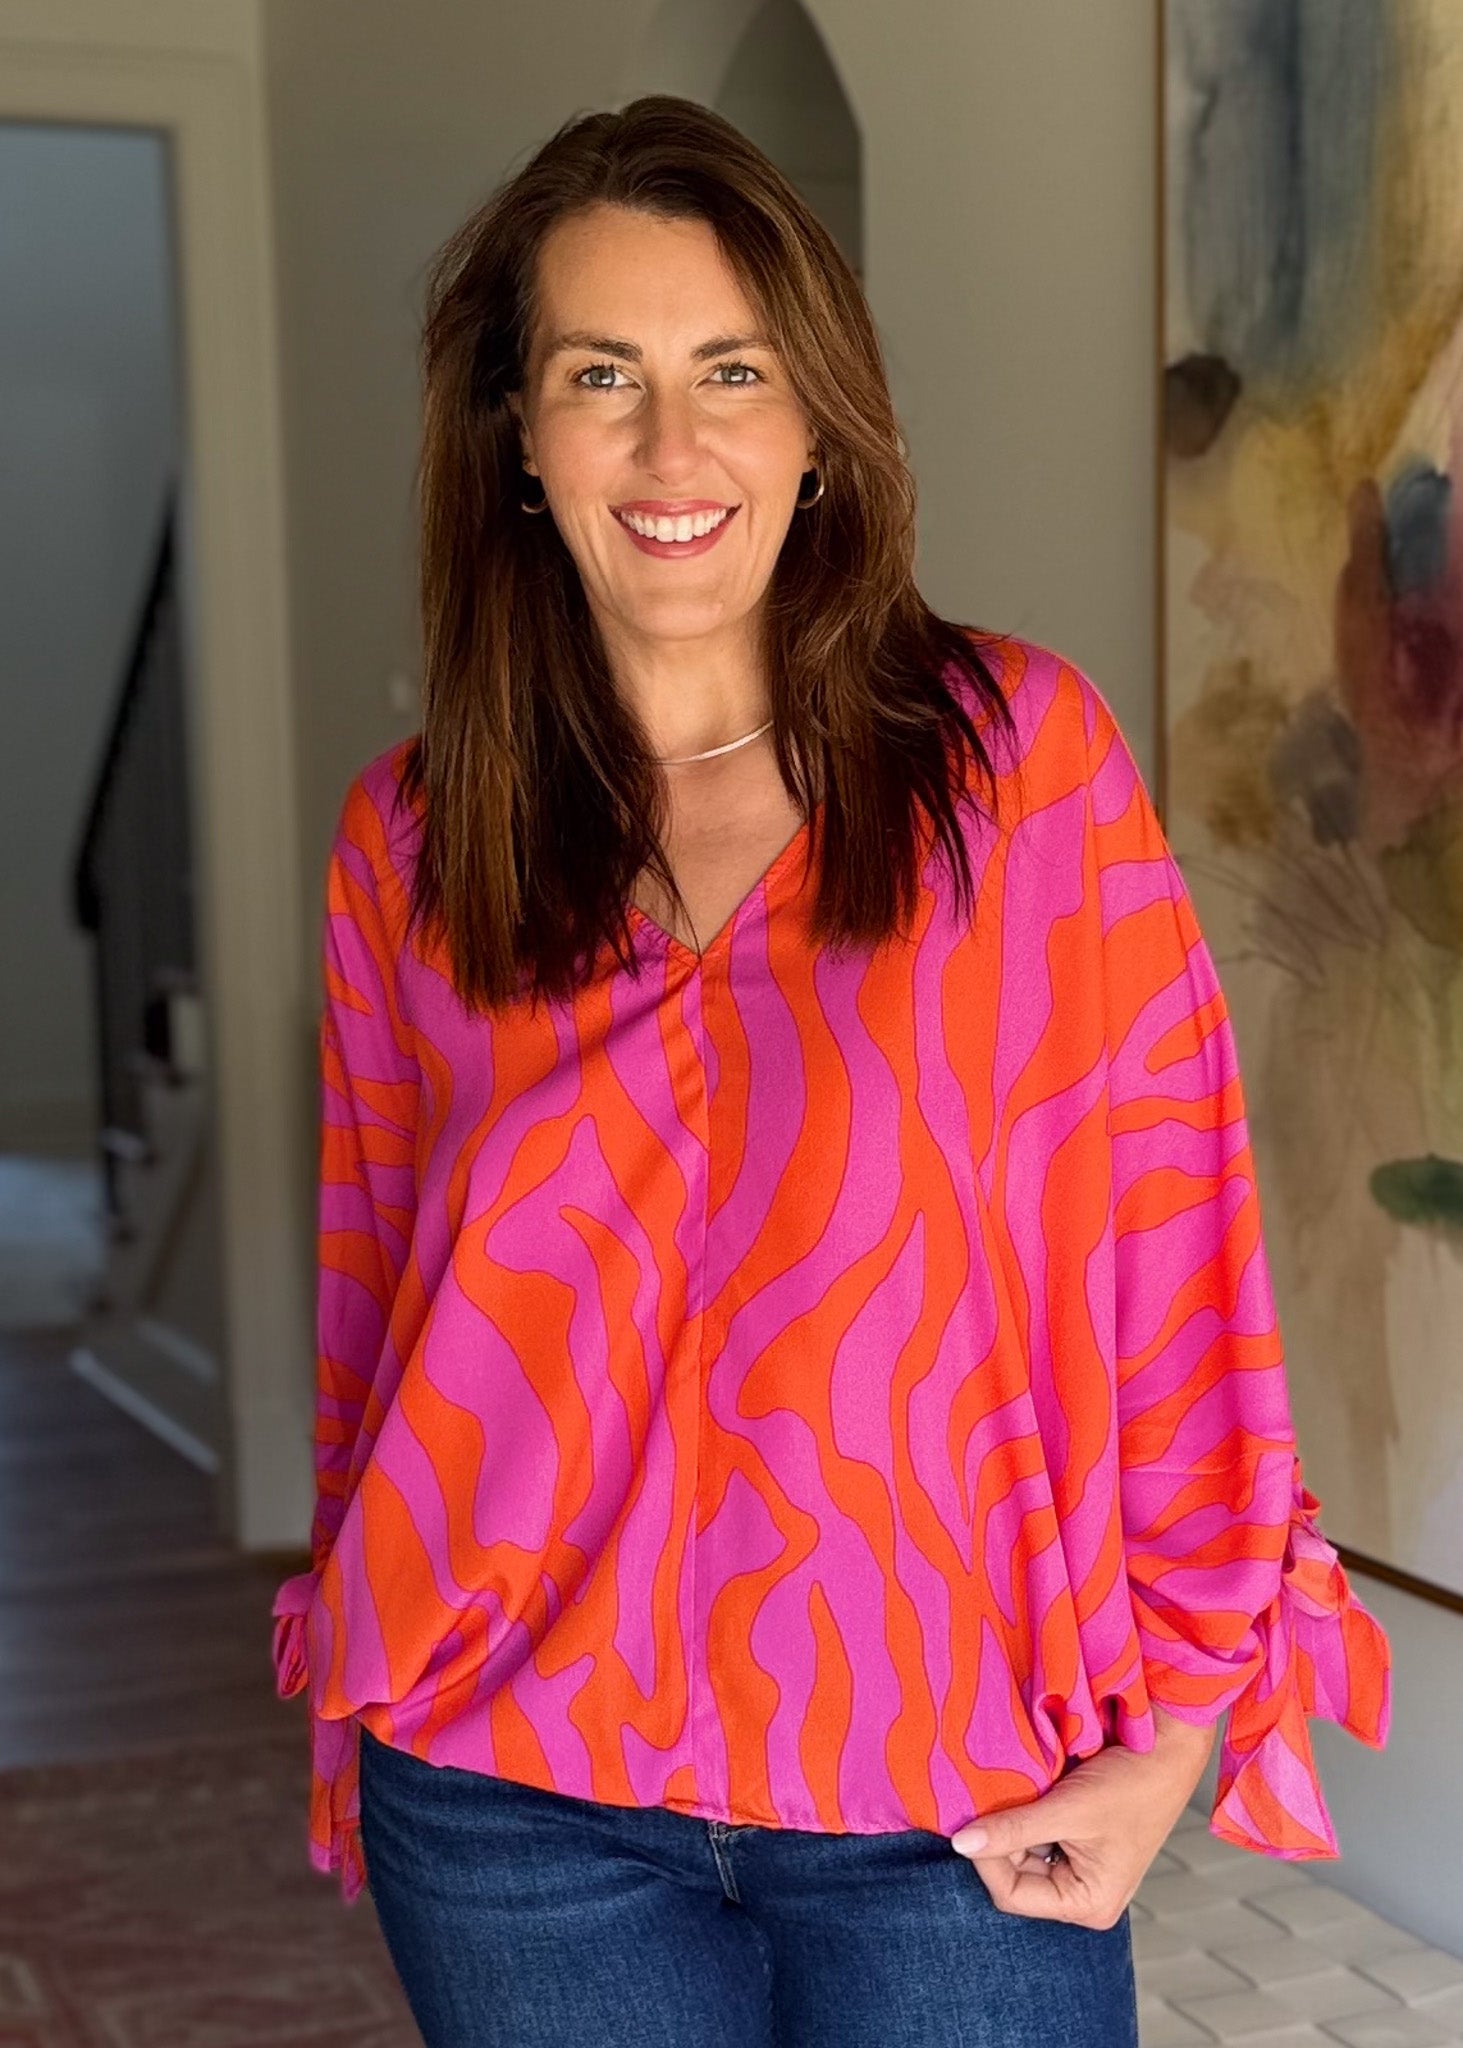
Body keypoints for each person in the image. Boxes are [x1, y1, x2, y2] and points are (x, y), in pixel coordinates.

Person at [270, 93, 1392, 2048]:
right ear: (518, 437)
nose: (672, 445)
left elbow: (1173, 1248)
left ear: (819, 422)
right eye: (600, 376)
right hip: (510, 1798)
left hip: (955, 1799)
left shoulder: (1017, 766)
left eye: (733, 370)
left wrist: (1183, 1719)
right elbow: (376, 1330)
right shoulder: (415, 845)